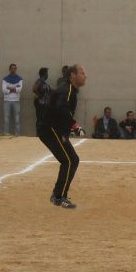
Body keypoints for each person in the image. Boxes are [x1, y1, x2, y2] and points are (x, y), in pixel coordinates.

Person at [37, 64, 87, 209]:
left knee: (71, 160)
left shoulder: (69, 89)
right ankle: (58, 197)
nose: (85, 76)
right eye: (82, 73)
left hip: (55, 129)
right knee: (70, 160)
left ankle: (58, 195)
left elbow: (59, 110)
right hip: (49, 129)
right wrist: (74, 125)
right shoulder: (67, 89)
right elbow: (60, 108)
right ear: (72, 75)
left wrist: (68, 128)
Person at [2, 63, 23, 136]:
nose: (13, 70)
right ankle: (6, 133)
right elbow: (4, 90)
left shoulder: (20, 79)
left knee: (17, 119)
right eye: (12, 68)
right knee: (6, 119)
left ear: (16, 69)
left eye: (14, 68)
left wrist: (9, 88)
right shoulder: (5, 79)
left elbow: (19, 89)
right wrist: (14, 88)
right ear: (9, 69)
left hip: (16, 101)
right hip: (7, 101)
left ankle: (17, 134)